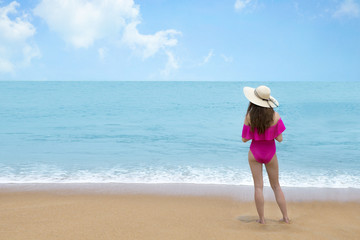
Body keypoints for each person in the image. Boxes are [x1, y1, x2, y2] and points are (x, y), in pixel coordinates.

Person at [241, 85, 289, 224]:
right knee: (276, 186)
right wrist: (270, 133)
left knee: (258, 187)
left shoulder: (249, 116)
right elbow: (280, 139)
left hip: (255, 153)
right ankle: (285, 218)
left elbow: (244, 139)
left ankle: (261, 219)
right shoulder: (275, 116)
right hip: (270, 153)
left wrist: (256, 133)